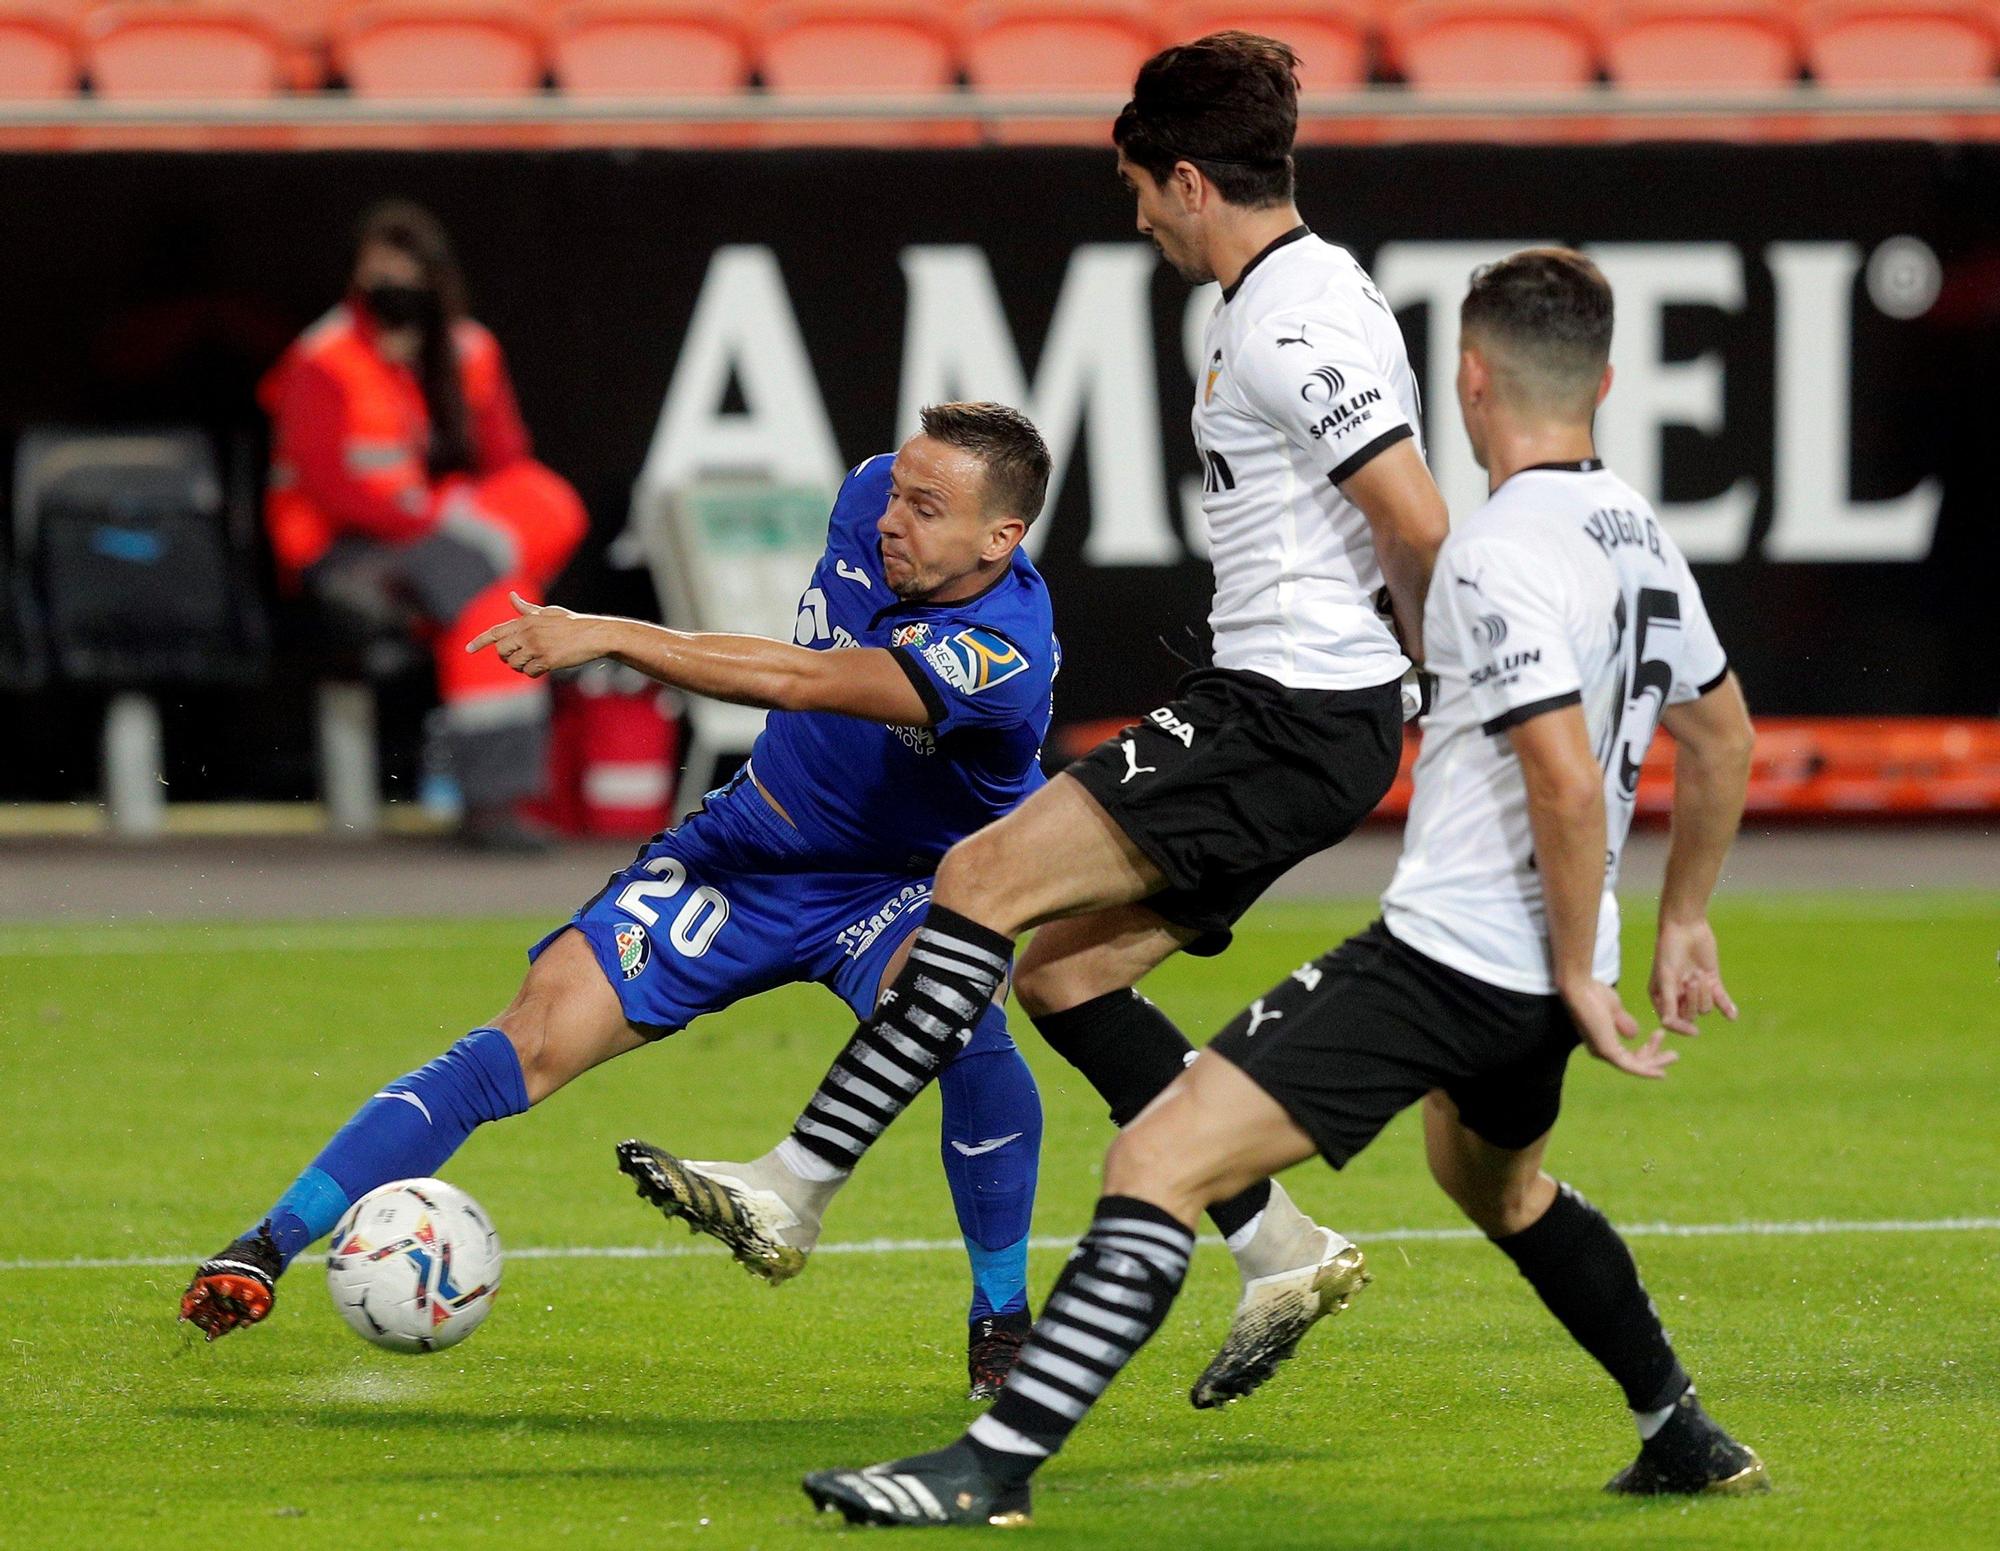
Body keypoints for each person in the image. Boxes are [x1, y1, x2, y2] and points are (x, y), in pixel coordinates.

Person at [802, 249, 1768, 1527]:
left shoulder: (1489, 552)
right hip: (1552, 964)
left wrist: (1575, 970)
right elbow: (1723, 740)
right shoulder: (1633, 533)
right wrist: (1677, 919)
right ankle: (1681, 1431)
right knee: (1501, 1190)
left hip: (1459, 962)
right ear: (1606, 378)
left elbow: (1562, 783)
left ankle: (987, 1470)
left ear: (1467, 379)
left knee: (1155, 1158)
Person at [635, 30, 1450, 1410]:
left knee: (977, 876)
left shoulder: (1289, 319)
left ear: (1190, 179)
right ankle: (1277, 1243)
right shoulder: (1295, 293)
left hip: (1288, 706)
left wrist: (1452, 703)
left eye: (1140, 188)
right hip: (1300, 711)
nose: (1136, 218)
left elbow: (1419, 518)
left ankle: (795, 1185)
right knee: (1065, 971)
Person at [181, 403, 1056, 1399]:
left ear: (1001, 538)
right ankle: (264, 1245)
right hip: (747, 854)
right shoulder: (869, 498)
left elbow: (804, 680)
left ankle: (1002, 1321)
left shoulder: (1005, 653)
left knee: (965, 1036)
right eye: (897, 489)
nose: (891, 516)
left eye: (926, 507)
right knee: (533, 1035)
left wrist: (609, 634)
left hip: (902, 883)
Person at [260, 200, 587, 850]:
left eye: (407, 273)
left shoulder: (468, 348)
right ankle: (492, 806)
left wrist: (433, 376)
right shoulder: (323, 357)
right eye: (378, 272)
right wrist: (428, 514)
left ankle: (495, 804)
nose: (393, 287)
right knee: (500, 595)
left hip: (440, 544)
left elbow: (505, 462)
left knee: (544, 512)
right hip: (345, 549)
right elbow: (330, 486)